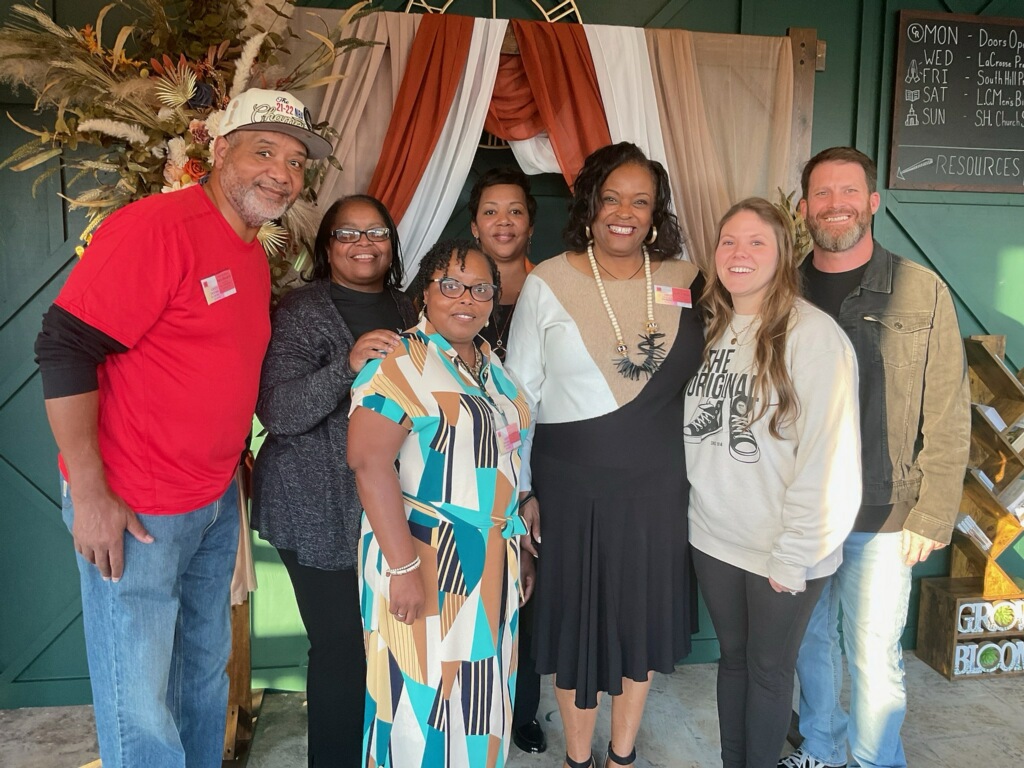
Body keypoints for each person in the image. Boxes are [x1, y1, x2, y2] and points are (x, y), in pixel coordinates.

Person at [33, 87, 331, 768]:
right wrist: (91, 492)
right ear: (218, 151)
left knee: (200, 677)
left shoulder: (251, 253)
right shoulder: (157, 228)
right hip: (134, 506)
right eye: (264, 151)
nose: (281, 173)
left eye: (295, 161)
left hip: (211, 501)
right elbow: (65, 346)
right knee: (139, 702)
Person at [505, 141, 704, 768]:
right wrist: (524, 492)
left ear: (656, 212)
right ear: (589, 203)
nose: (625, 211)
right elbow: (519, 398)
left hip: (659, 486)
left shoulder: (686, 279)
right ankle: (578, 758)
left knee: (637, 623)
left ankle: (622, 756)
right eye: (612, 197)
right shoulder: (547, 281)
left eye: (641, 201)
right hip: (568, 488)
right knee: (574, 624)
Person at [780, 147, 970, 768]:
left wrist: (933, 514)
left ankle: (873, 761)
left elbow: (948, 410)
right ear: (805, 208)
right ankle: (823, 749)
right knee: (808, 648)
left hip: (886, 512)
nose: (836, 205)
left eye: (848, 192)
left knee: (873, 658)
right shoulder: (782, 287)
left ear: (872, 202)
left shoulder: (921, 290)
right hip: (800, 510)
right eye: (823, 195)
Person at [685, 198, 861, 768]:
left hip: (782, 547)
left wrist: (793, 556)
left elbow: (828, 459)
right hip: (715, 538)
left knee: (767, 671)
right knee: (732, 661)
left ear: (784, 253)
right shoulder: (711, 326)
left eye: (757, 241)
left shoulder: (814, 337)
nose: (739, 253)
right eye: (729, 241)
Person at [347, 239, 532, 768]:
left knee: (480, 700)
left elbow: (498, 454)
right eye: (449, 285)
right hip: (427, 554)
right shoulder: (401, 362)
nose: (465, 298)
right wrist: (403, 566)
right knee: (420, 703)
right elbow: (368, 462)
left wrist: (519, 539)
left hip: (493, 558)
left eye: (480, 288)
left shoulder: (489, 364)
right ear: (424, 294)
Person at [249, 194, 416, 767]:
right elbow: (278, 411)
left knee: (394, 647)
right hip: (313, 504)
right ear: (327, 246)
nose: (364, 243)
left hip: (392, 506)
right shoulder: (301, 309)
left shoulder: (412, 307)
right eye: (349, 233)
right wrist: (346, 366)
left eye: (377, 232)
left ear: (392, 244)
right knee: (342, 647)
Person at [468, 166, 546, 755]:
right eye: (491, 211)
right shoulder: (460, 292)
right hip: (472, 464)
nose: (503, 221)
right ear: (475, 223)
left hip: (544, 456)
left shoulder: (553, 290)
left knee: (533, 589)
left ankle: (521, 707)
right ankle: (478, 703)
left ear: (531, 222)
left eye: (514, 210)